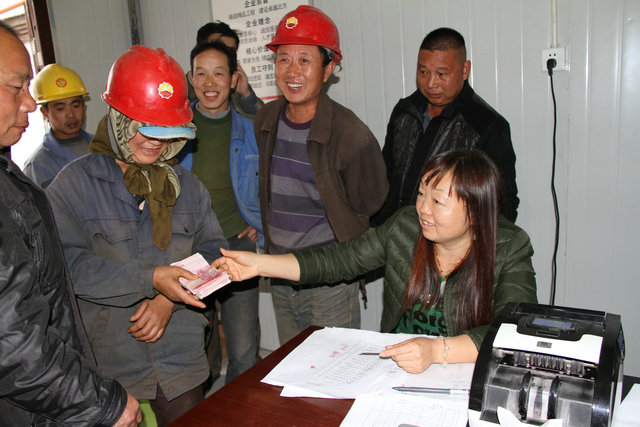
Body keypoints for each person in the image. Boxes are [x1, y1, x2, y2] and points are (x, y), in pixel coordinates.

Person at [214, 150, 537, 374]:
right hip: (400, 364)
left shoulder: (510, 246)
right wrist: (260, 264)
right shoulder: (404, 227)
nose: (423, 209)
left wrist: (437, 351)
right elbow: (337, 261)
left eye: (438, 201)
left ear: (475, 209)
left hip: (466, 370)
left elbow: (514, 329)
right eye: (421, 194)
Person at [46, 45, 228, 426]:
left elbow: (215, 254)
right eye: (145, 127)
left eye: (166, 129)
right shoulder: (72, 187)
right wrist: (150, 278)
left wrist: (169, 298)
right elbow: (68, 267)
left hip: (180, 360)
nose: (156, 141)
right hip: (109, 365)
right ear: (116, 117)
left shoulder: (188, 187)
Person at [0, 22, 141, 426]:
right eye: (17, 87)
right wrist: (101, 403)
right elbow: (12, 343)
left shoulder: (10, 174)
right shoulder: (41, 169)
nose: (28, 103)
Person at [255, 5, 389, 345]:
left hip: (329, 283)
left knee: (332, 368)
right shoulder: (266, 120)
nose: (292, 71)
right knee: (290, 363)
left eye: (305, 60)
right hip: (281, 274)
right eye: (283, 59)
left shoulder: (350, 133)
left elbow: (371, 199)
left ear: (328, 69)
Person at [178, 41, 261, 384]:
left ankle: (237, 407)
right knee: (192, 344)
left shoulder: (251, 129)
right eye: (201, 74)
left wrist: (258, 224)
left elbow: (269, 181)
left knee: (243, 348)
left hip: (236, 248)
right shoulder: (175, 129)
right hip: (188, 249)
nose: (209, 83)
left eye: (219, 73)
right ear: (190, 78)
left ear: (233, 79)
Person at [375, 27, 519, 224]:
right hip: (392, 232)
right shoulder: (405, 111)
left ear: (465, 70)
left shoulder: (486, 126)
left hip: (445, 239)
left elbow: (503, 205)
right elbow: (385, 176)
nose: (431, 83)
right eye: (423, 72)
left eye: (442, 74)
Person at [22, 63, 91, 187]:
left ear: (83, 106)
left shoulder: (103, 147)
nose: (71, 114)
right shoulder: (38, 165)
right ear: (45, 112)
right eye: (60, 108)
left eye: (76, 106)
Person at [187, 20, 264, 118]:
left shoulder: (236, 83)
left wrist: (246, 95)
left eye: (231, 51)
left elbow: (264, 122)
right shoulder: (178, 90)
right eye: (218, 46)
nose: (225, 53)